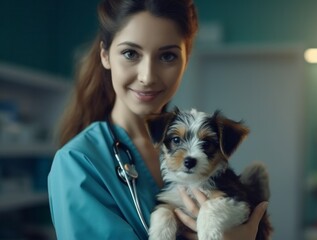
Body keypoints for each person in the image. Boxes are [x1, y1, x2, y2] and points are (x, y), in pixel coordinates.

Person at [47, 0, 269, 239]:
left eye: (167, 56)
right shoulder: (77, 162)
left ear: (186, 58)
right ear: (105, 55)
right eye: (130, 53)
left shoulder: (196, 142)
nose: (147, 76)